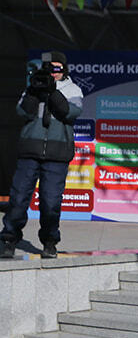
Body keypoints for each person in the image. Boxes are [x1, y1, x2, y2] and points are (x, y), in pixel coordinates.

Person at [3, 51, 83, 259]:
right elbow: (23, 112)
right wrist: (34, 90)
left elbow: (70, 113)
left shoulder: (72, 89)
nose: (53, 73)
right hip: (29, 151)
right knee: (18, 198)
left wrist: (53, 91)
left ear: (64, 70)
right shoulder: (33, 86)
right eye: (49, 68)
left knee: (51, 202)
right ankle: (8, 239)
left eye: (57, 69)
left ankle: (49, 241)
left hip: (57, 155)